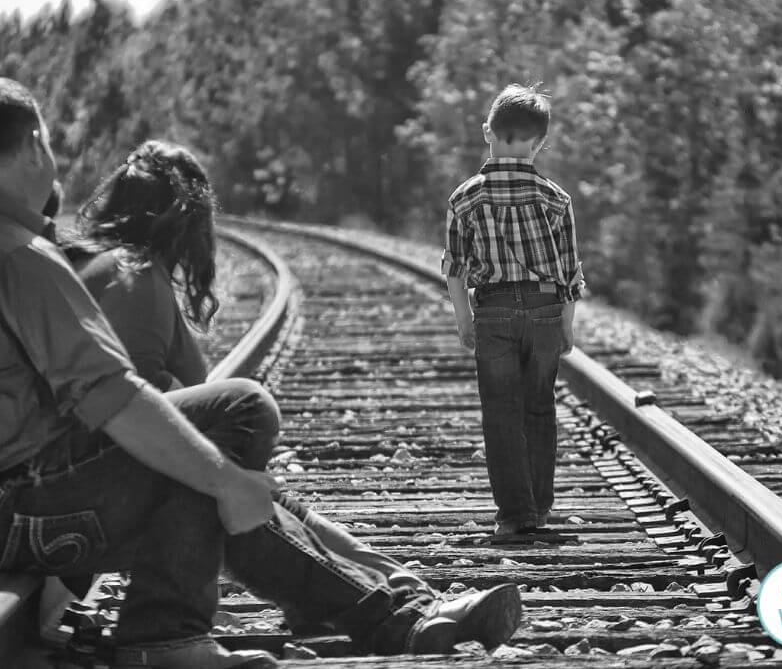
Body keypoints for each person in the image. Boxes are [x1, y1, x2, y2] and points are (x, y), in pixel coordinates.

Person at [0, 78, 521, 669]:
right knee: (235, 418)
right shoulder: (16, 256)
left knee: (218, 473)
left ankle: (400, 616)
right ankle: (168, 635)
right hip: (18, 509)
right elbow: (113, 397)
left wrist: (223, 480)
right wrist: (224, 478)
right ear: (35, 143)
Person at [65, 139, 516, 642]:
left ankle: (411, 600)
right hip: (120, 484)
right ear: (187, 220)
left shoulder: (110, 272)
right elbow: (140, 411)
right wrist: (226, 474)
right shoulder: (133, 278)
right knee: (247, 457)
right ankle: (400, 613)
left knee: (271, 498)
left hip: (113, 476)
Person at [442, 83, 585, 538]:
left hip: (494, 311)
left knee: (501, 411)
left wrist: (465, 320)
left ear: (489, 132)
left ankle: (515, 515)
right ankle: (539, 506)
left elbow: (455, 268)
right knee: (539, 408)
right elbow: (569, 272)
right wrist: (565, 325)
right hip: (544, 309)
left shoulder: (465, 197)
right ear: (538, 142)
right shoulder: (555, 198)